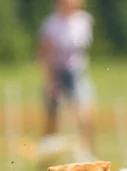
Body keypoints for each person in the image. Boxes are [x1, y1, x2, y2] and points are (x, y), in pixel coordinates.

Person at [37, 0, 97, 162]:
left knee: (84, 113)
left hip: (77, 72)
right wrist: (50, 81)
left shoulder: (84, 20)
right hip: (56, 71)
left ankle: (86, 153)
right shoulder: (51, 24)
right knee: (52, 116)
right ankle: (46, 155)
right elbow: (45, 54)